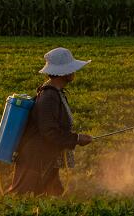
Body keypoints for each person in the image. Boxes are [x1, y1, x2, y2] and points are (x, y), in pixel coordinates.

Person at [6, 47, 93, 196]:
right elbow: (49, 132)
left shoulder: (54, 92)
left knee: (54, 195)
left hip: (46, 157)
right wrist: (77, 138)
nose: (74, 72)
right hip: (35, 159)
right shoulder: (49, 97)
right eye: (71, 68)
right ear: (64, 72)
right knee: (21, 198)